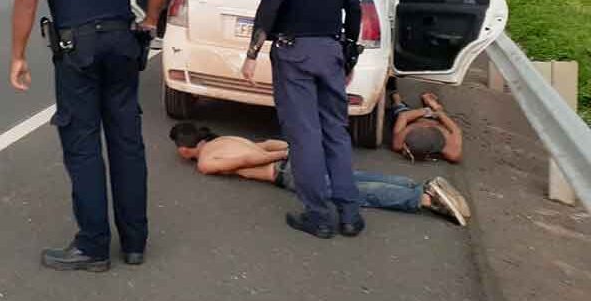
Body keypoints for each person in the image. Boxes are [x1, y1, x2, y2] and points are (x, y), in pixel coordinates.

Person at [9, 0, 171, 272]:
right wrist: (150, 20)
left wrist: (18, 55)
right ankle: (135, 243)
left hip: (77, 48)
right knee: (127, 142)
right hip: (121, 43)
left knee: (83, 146)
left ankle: (93, 246)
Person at [241, 0, 364, 239]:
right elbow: (353, 9)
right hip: (331, 50)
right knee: (335, 132)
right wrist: (349, 57)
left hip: (295, 52)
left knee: (305, 135)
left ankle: (319, 215)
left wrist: (252, 54)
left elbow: (271, 4)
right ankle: (349, 214)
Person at [168, 123, 470, 226]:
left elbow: (249, 157)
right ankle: (416, 185)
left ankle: (423, 199)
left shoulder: (206, 161)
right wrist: (294, 147)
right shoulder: (224, 140)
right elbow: (262, 143)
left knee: (353, 192)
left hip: (284, 171)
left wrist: (284, 154)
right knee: (353, 178)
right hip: (292, 158)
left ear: (184, 148)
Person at [391, 91, 463, 163]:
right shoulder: (452, 151)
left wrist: (428, 112)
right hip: (426, 121)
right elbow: (456, 130)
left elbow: (403, 116)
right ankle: (432, 106)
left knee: (400, 111)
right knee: (437, 112)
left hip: (422, 121)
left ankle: (398, 101)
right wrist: (436, 113)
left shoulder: (402, 138)